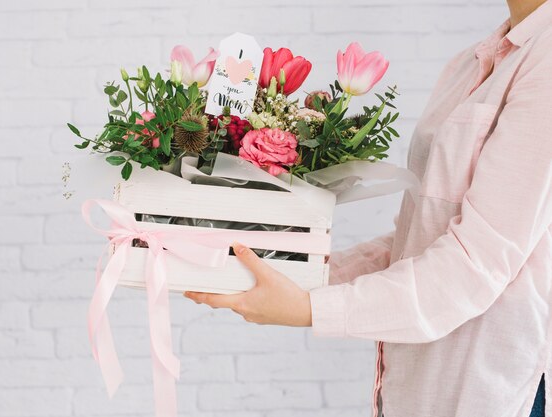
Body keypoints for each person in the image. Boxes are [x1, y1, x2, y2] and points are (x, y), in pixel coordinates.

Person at [184, 0, 552, 416]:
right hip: (412, 386)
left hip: (483, 389)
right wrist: (292, 273)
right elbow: (418, 238)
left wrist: (310, 308)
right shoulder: (472, 62)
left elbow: (476, 264)